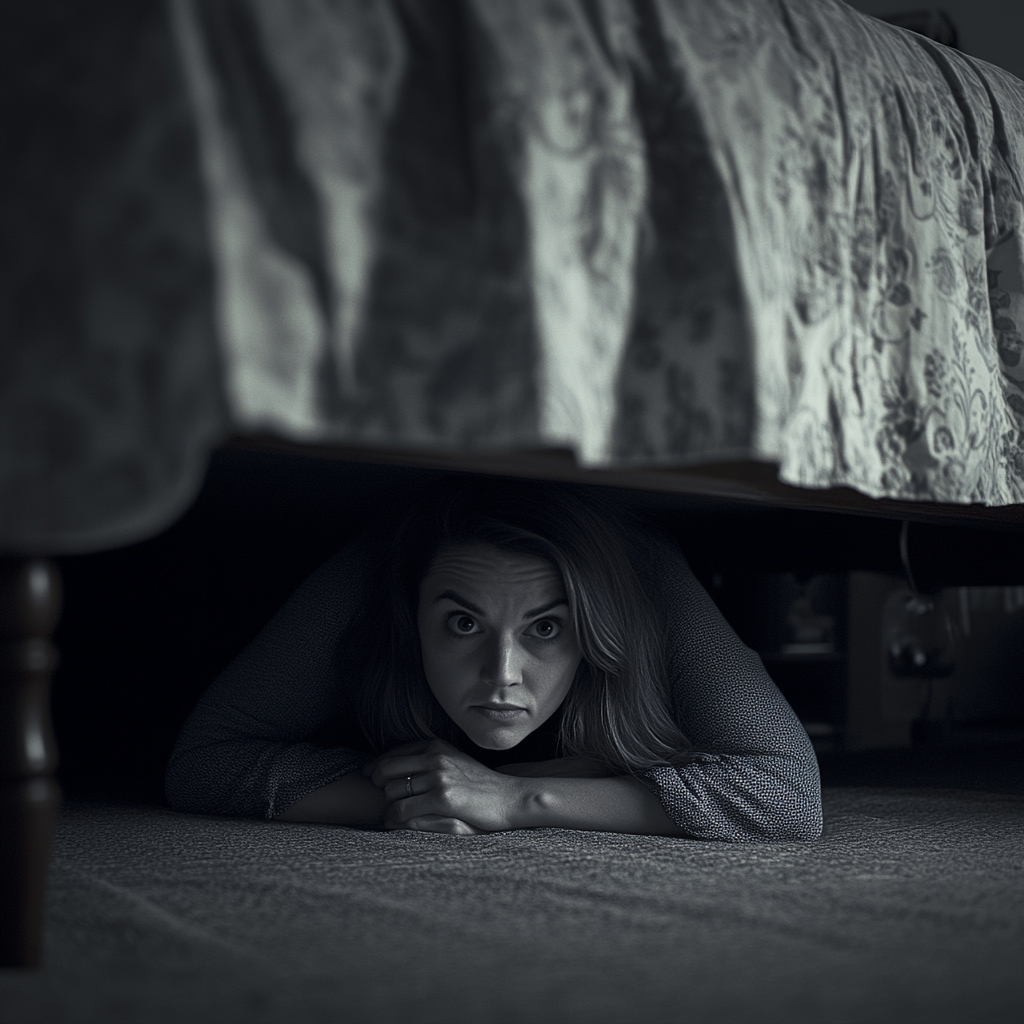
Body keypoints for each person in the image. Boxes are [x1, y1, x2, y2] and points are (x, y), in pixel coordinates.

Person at [166, 480, 821, 841]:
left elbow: (788, 795)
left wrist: (514, 798)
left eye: (544, 627)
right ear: (411, 618)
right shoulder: (375, 577)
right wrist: (426, 795)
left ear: (595, 629)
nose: (501, 672)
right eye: (461, 623)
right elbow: (203, 765)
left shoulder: (647, 581)